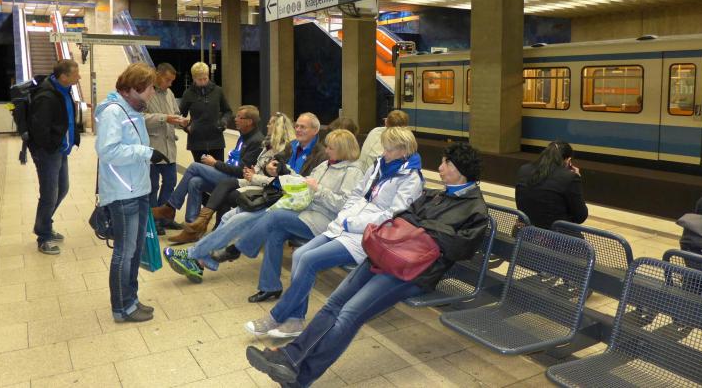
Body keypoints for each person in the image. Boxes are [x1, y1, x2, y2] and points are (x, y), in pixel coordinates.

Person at [246, 142, 489, 386]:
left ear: (461, 169)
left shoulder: (474, 210)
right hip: (385, 255)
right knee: (334, 304)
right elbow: (401, 216)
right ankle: (289, 357)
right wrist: (422, 231)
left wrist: (420, 228)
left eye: (446, 163)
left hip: (412, 272)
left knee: (349, 314)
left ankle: (299, 377)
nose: (440, 167)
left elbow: (460, 247)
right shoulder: (435, 195)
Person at [242, 126, 423, 338]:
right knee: (300, 255)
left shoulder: (411, 178)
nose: (384, 153)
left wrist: (352, 223)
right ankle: (295, 320)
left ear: (404, 150)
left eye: (389, 150)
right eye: (384, 148)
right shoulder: (379, 166)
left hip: (367, 237)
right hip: (343, 225)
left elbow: (393, 216)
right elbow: (357, 195)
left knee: (308, 260)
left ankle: (277, 316)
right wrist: (345, 217)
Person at [164, 130, 364, 296]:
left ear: (343, 149)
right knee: (254, 222)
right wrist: (286, 172)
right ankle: (269, 286)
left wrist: (318, 190)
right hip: (301, 210)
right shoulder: (325, 165)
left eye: (331, 148)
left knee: (273, 216)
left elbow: (344, 205)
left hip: (321, 220)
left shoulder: (352, 172)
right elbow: (304, 183)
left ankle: (224, 251)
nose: (326, 150)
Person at [95, 62, 163, 323]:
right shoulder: (114, 112)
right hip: (124, 193)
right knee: (125, 252)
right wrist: (145, 152)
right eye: (150, 88)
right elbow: (108, 151)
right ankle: (122, 307)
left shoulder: (133, 110)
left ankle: (131, 299)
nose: (152, 93)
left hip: (138, 189)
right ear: (135, 87)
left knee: (133, 250)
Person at [154, 105, 264, 244]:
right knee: (195, 182)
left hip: (237, 181)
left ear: (249, 121)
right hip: (229, 176)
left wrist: (215, 163)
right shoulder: (244, 136)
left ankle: (170, 207)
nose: (235, 119)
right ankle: (192, 228)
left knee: (194, 167)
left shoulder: (256, 141)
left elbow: (241, 172)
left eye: (239, 117)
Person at [201, 112, 296, 229]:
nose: (267, 126)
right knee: (223, 184)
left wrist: (253, 176)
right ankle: (205, 222)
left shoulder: (283, 150)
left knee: (223, 192)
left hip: (267, 188)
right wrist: (251, 172)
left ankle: (212, 226)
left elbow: (276, 179)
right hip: (254, 180)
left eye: (270, 123)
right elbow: (259, 166)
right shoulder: (267, 145)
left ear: (278, 127)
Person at [28, 59, 81, 255]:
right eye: (75, 74)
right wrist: (52, 146)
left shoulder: (65, 90)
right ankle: (44, 237)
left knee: (62, 189)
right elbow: (39, 129)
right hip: (49, 152)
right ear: (64, 76)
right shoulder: (46, 96)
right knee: (49, 194)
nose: (79, 77)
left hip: (60, 150)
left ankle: (44, 225)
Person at [143, 63, 188, 234]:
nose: (170, 84)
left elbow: (175, 113)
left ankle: (166, 218)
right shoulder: (146, 92)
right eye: (167, 80)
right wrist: (164, 118)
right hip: (152, 149)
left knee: (170, 183)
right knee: (152, 187)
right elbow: (140, 118)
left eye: (172, 81)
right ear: (157, 75)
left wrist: (181, 121)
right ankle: (153, 221)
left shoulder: (169, 93)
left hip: (169, 149)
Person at [515, 140, 588, 230]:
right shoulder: (570, 177)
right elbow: (581, 216)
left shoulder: (523, 170)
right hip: (554, 235)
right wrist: (577, 178)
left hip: (523, 231)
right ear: (568, 161)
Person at [180, 61, 232, 163]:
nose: (203, 81)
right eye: (200, 79)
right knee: (201, 171)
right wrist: (187, 127)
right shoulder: (188, 94)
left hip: (216, 141)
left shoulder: (218, 91)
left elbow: (227, 111)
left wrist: (223, 122)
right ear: (194, 78)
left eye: (205, 78)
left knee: (218, 170)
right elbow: (180, 115)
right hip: (196, 143)